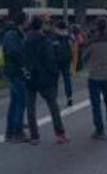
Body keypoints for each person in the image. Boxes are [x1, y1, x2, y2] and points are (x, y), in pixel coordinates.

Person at [24, 17, 68, 145]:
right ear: (41, 26)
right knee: (53, 106)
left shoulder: (26, 41)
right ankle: (60, 133)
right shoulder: (44, 41)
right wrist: (54, 74)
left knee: (30, 108)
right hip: (44, 78)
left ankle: (34, 135)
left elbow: (24, 59)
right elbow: (50, 59)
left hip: (30, 77)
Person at [83, 19, 107, 139]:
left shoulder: (93, 43)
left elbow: (84, 57)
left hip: (94, 75)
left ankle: (99, 130)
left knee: (96, 104)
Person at [3, 14, 30, 143]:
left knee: (15, 102)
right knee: (20, 102)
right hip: (16, 72)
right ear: (23, 22)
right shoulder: (13, 35)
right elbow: (14, 52)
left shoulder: (14, 35)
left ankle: (10, 132)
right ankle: (17, 131)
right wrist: (23, 64)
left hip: (14, 72)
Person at [53, 21, 75, 107]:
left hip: (56, 60)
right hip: (66, 59)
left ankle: (54, 98)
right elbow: (73, 45)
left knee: (55, 80)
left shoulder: (54, 36)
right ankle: (69, 97)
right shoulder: (68, 36)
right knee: (67, 79)